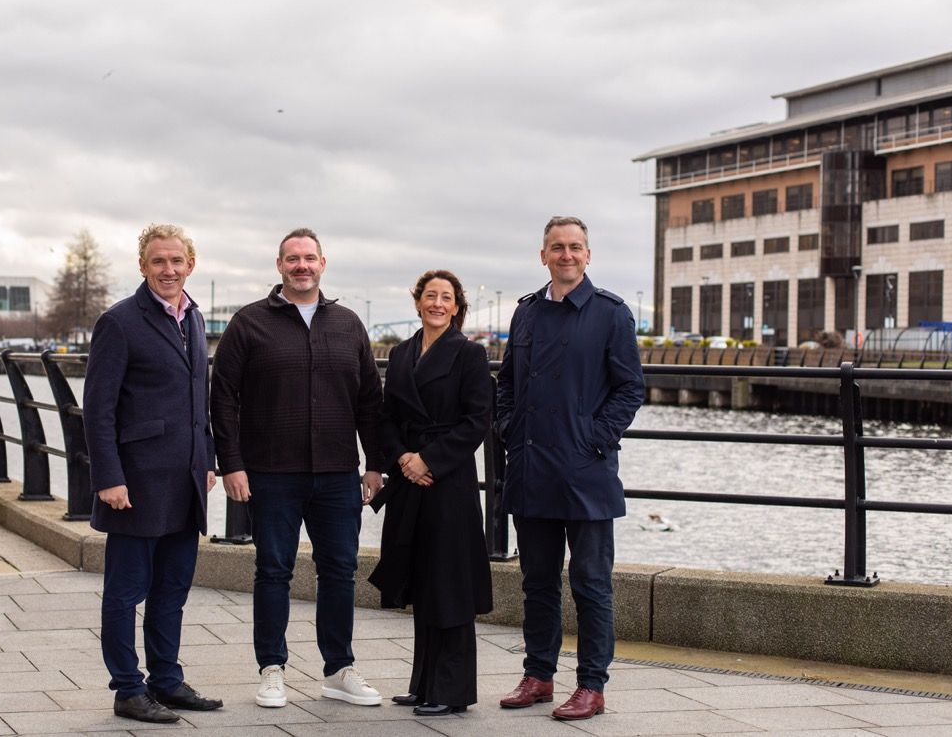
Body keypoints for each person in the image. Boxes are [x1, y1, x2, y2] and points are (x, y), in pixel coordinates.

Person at [211, 227, 386, 709]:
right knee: (272, 571)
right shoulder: (248, 324)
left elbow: (371, 401)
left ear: (323, 264)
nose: (302, 266)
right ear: (279, 265)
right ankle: (271, 669)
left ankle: (339, 669)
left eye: (310, 258)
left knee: (340, 572)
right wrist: (232, 464)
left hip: (337, 474)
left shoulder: (349, 325)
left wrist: (375, 465)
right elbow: (222, 399)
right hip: (271, 474)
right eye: (293, 259)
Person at [495, 216, 644, 721]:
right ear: (543, 256)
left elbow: (630, 389)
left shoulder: (611, 314)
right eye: (556, 247)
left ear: (588, 254)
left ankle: (592, 686)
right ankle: (538, 674)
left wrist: (594, 438)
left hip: (586, 471)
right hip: (532, 465)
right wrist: (507, 428)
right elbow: (508, 385)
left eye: (575, 247)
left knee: (591, 583)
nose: (566, 255)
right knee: (536, 580)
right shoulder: (526, 314)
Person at [83, 223, 223, 724]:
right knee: (125, 592)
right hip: (136, 483)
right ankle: (127, 688)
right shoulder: (119, 322)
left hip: (185, 483)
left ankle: (166, 679)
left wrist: (206, 459)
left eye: (177, 261)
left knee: (172, 590)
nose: (169, 269)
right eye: (159, 261)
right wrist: (108, 477)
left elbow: (197, 401)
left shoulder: (194, 319)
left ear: (191, 265)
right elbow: (98, 410)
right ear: (143, 266)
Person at [368, 269, 493, 717]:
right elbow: (386, 416)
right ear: (417, 302)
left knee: (449, 582)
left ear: (457, 306)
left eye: (446, 297)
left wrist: (430, 460)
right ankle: (423, 683)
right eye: (429, 296)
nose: (437, 303)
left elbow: (477, 420)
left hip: (448, 480)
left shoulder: (470, 354)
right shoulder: (401, 353)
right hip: (410, 477)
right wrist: (403, 457)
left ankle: (452, 689)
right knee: (422, 579)